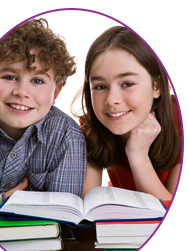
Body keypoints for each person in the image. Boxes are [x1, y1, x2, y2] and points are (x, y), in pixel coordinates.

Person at [0, 18, 87, 203]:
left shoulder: (66, 136)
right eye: (10, 77)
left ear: (56, 92)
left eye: (37, 81)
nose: (21, 92)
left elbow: (65, 215)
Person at [73, 25, 181, 201]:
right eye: (100, 86)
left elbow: (172, 217)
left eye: (127, 84)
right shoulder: (91, 127)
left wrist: (138, 155)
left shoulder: (181, 123)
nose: (111, 99)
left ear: (157, 87)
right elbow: (86, 211)